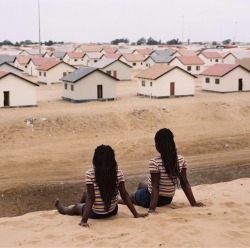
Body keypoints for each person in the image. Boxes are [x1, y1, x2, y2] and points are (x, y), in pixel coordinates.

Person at [55, 144, 148, 227]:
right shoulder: (118, 173)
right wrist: (135, 214)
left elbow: (91, 198)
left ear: (95, 160)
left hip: (96, 214)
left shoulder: (90, 174)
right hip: (113, 211)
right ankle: (83, 207)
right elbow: (124, 194)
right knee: (85, 194)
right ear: (112, 160)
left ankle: (64, 210)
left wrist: (84, 221)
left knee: (76, 206)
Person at [128, 128, 205, 214]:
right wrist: (193, 202)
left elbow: (155, 187)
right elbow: (184, 182)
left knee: (131, 196)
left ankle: (126, 200)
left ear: (158, 146)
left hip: (150, 199)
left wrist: (152, 209)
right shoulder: (181, 159)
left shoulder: (154, 162)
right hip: (167, 199)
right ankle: (139, 196)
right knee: (141, 184)